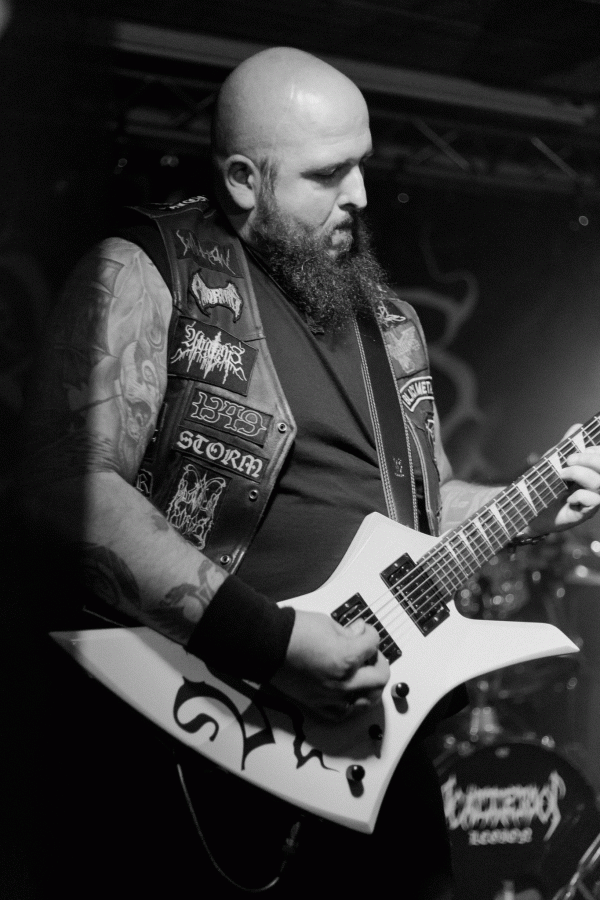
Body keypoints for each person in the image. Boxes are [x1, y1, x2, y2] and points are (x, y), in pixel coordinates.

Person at [20, 47, 600, 900]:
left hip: (376, 743)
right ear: (244, 180)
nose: (358, 195)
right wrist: (274, 644)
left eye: (361, 165)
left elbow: (424, 505)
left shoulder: (389, 322)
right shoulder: (150, 270)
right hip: (203, 736)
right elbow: (67, 492)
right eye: (328, 174)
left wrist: (527, 505)